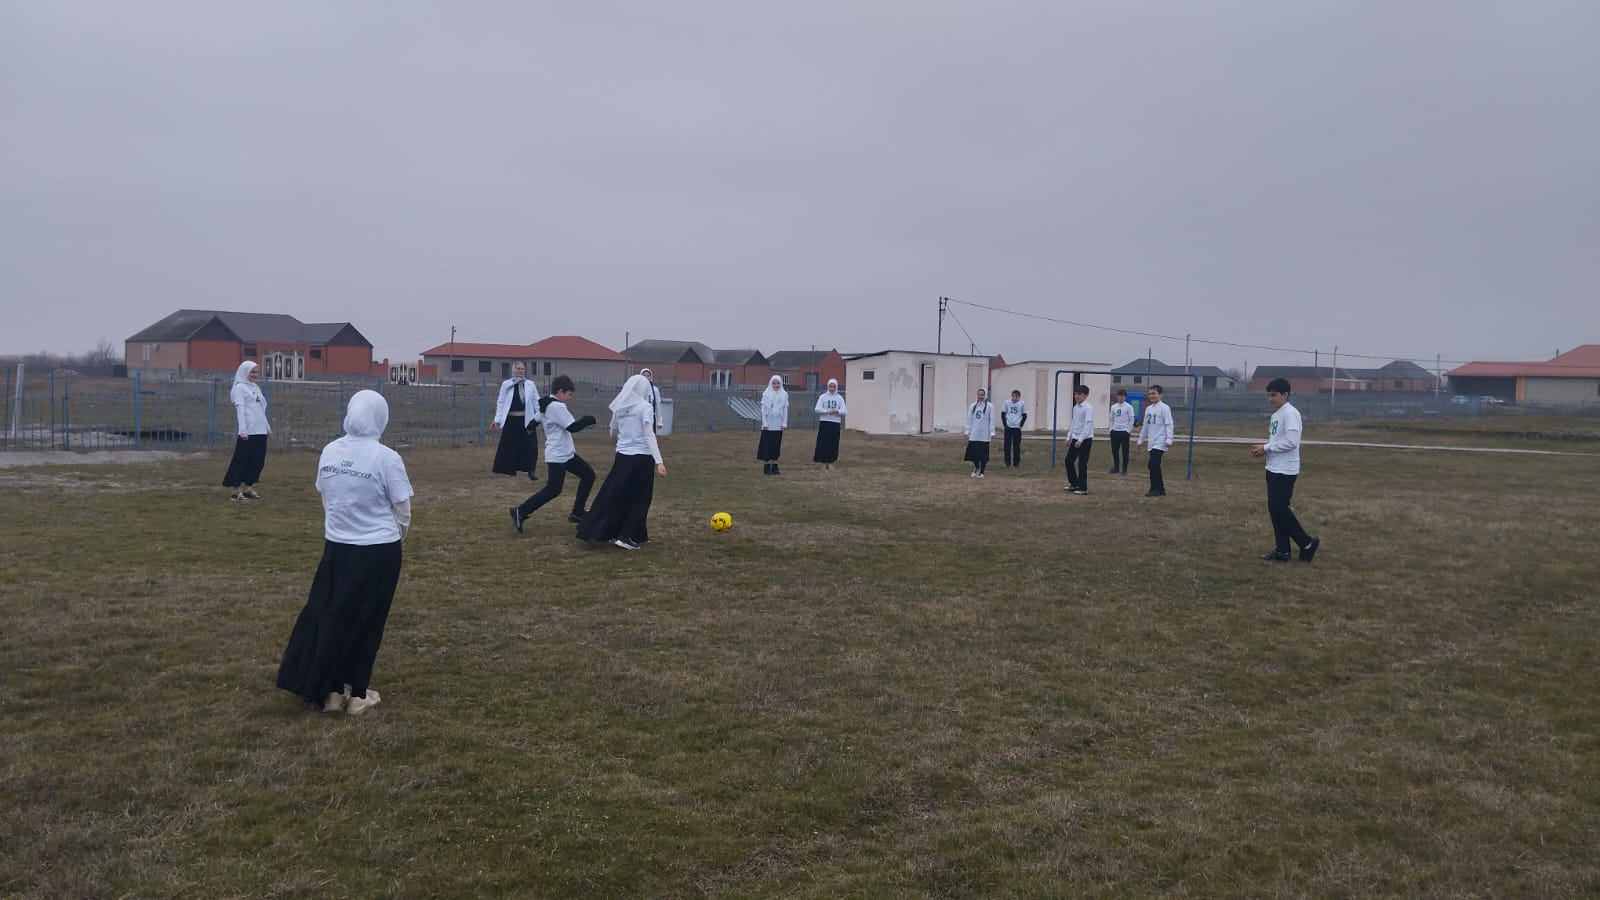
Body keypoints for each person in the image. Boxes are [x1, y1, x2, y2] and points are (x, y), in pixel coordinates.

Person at [276, 390, 414, 715]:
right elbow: (403, 511)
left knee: (332, 616)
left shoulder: (330, 451)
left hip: (337, 548)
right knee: (368, 621)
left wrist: (343, 527)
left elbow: (327, 497)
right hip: (377, 552)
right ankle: (359, 694)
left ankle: (334, 690)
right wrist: (391, 537)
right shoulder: (387, 458)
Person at [576, 374, 666, 550]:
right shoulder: (645, 407)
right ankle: (629, 537)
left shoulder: (620, 408)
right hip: (641, 457)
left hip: (622, 457)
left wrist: (624, 440)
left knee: (618, 494)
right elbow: (649, 434)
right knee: (640, 498)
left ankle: (615, 532)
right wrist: (659, 462)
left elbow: (613, 432)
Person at [510, 375, 599, 533]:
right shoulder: (557, 407)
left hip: (565, 453)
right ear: (560, 391)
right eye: (569, 394)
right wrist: (588, 420)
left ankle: (577, 513)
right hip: (558, 455)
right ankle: (521, 511)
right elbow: (572, 427)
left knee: (588, 475)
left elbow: (534, 421)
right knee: (553, 489)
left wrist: (530, 429)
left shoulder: (547, 404)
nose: (570, 398)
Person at [1251, 377, 1320, 563]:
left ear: (1285, 395)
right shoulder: (1277, 415)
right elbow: (1277, 441)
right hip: (1274, 467)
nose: (1270, 399)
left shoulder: (1290, 413)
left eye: (1273, 395)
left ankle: (1306, 543)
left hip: (1285, 470)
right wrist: (1265, 450)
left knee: (1280, 509)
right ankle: (1283, 550)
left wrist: (1266, 447)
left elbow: (1292, 442)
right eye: (1269, 395)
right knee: (1275, 510)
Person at [222, 360, 271, 501]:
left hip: (260, 430)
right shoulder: (239, 388)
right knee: (241, 460)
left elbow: (261, 409)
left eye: (256, 372)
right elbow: (241, 409)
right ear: (245, 372)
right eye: (252, 372)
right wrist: (243, 429)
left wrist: (267, 427)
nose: (255, 374)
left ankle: (248, 488)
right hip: (248, 431)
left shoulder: (255, 387)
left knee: (257, 461)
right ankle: (235, 491)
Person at [491, 362, 540, 481]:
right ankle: (510, 469)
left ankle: (531, 470)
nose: (521, 371)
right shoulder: (506, 384)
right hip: (511, 420)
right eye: (518, 368)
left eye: (523, 369)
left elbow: (536, 401)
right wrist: (497, 419)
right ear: (513, 370)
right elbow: (501, 403)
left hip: (526, 419)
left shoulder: (530, 385)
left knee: (530, 445)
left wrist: (539, 417)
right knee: (511, 445)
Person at [1137, 384, 1173, 497]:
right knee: (1153, 465)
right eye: (1150, 394)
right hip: (1152, 442)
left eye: (1154, 393)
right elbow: (1145, 426)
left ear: (1160, 395)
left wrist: (1169, 439)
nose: (1151, 396)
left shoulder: (1165, 408)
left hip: (1160, 441)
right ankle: (1161, 489)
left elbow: (1169, 424)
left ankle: (1154, 489)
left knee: (1153, 464)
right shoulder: (1149, 409)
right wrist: (1140, 440)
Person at [1063, 384, 1094, 495]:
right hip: (1075, 438)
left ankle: (1083, 488)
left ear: (1086, 395)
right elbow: (1074, 422)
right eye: (1075, 394)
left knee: (1082, 464)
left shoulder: (1088, 408)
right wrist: (1069, 437)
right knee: (1068, 461)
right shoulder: (1076, 407)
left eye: (1079, 394)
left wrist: (1080, 440)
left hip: (1085, 439)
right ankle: (1074, 483)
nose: (1076, 396)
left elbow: (1087, 425)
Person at [812, 378, 847, 470]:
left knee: (833, 443)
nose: (832, 388)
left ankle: (830, 462)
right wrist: (826, 411)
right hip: (825, 422)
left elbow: (844, 411)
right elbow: (817, 409)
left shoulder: (839, 398)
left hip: (835, 423)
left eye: (834, 386)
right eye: (830, 386)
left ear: (836, 387)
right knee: (823, 442)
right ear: (827, 387)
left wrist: (837, 411)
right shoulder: (823, 397)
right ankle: (823, 462)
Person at [757, 374, 788, 475]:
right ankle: (767, 466)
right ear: (771, 384)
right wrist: (764, 423)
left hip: (778, 424)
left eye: (778, 383)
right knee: (767, 445)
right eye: (774, 383)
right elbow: (763, 410)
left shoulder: (784, 394)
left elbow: (785, 409)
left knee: (776, 445)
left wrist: (784, 422)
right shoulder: (766, 394)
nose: (776, 385)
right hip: (768, 424)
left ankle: (775, 466)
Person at [963, 387, 995, 477]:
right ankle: (977, 467)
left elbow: (992, 419)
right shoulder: (973, 406)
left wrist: (992, 432)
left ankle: (982, 471)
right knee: (974, 452)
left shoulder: (990, 406)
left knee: (983, 453)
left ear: (985, 395)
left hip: (984, 434)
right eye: (979, 395)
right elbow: (969, 419)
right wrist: (967, 431)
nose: (980, 396)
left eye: (982, 395)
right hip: (975, 433)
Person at [1107, 389, 1134, 474]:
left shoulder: (1129, 407)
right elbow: (1111, 418)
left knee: (1125, 451)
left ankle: (1124, 469)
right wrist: (1111, 429)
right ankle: (1116, 467)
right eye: (1118, 396)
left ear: (1125, 397)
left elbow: (1131, 419)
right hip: (1115, 431)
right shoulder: (1114, 407)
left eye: (1122, 396)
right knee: (1115, 450)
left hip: (1124, 431)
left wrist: (1128, 430)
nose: (1120, 398)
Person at [1001, 389, 1028, 467]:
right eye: (1013, 396)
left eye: (1016, 397)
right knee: (1007, 445)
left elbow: (1024, 415)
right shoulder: (1007, 403)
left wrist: (1021, 425)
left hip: (1017, 428)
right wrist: (1005, 425)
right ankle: (1007, 462)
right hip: (1008, 427)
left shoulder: (1022, 404)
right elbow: (1003, 414)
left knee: (1016, 446)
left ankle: (1016, 462)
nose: (1014, 398)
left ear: (1019, 397)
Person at [639, 367, 664, 432]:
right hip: (639, 417)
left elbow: (657, 406)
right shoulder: (637, 389)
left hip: (651, 417)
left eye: (648, 376)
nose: (646, 377)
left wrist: (659, 421)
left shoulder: (654, 390)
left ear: (651, 377)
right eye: (644, 375)